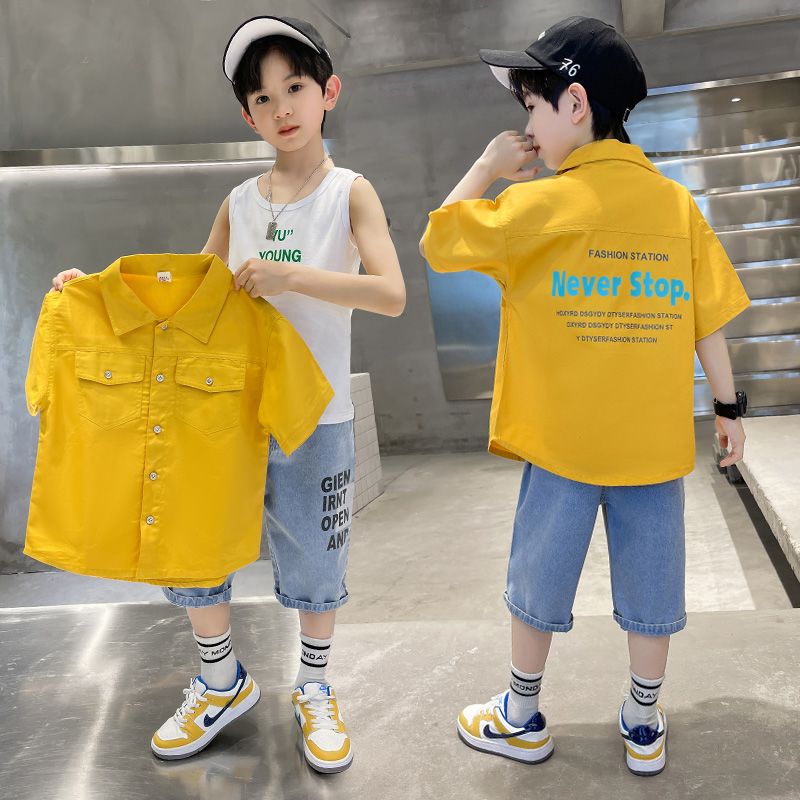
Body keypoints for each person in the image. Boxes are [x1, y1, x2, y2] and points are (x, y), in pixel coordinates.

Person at [51, 15, 405, 773]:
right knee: (193, 544)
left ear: (328, 92)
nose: (282, 107)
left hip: (317, 417)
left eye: (294, 87)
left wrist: (290, 276)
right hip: (222, 415)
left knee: (314, 559)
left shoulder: (349, 193)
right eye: (262, 97)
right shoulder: (238, 201)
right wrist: (94, 294)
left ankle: (315, 688)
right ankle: (221, 682)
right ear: (247, 116)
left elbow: (391, 293)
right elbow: (186, 299)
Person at [420, 15, 748, 777]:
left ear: (574, 104)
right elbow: (709, 317)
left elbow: (439, 241)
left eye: (531, 107)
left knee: (538, 577)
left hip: (562, 445)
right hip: (651, 447)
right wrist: (728, 409)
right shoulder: (675, 206)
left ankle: (521, 716)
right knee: (652, 583)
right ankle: (642, 722)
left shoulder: (535, 208)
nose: (527, 127)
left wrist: (487, 166)